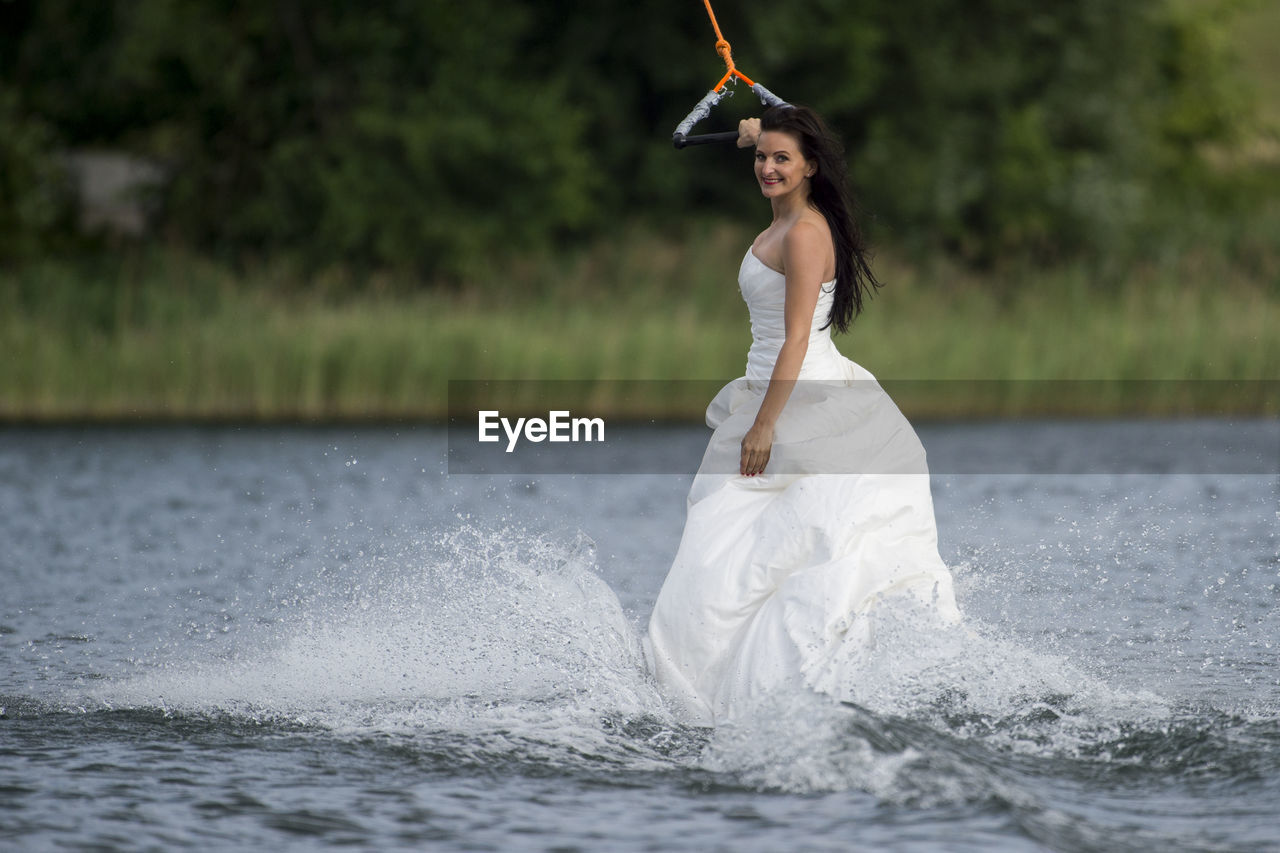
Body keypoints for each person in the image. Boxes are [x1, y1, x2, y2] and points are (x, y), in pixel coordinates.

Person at [644, 105, 961, 726]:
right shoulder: (785, 218)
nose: (767, 167)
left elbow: (794, 340)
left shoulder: (805, 234)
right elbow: (772, 146)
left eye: (782, 159)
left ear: (811, 167)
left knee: (767, 543)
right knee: (734, 538)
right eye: (762, 157)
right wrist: (757, 134)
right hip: (773, 387)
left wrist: (764, 423)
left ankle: (772, 687)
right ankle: (721, 684)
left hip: (799, 396)